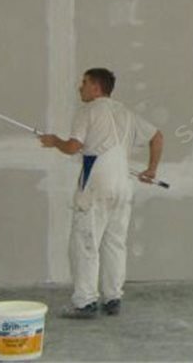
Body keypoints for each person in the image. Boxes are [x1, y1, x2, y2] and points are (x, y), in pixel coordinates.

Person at [40, 68, 163, 318]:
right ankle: (113, 298)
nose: (80, 87)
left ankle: (85, 302)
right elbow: (157, 136)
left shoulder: (88, 111)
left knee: (85, 243)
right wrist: (151, 169)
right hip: (122, 185)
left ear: (96, 88)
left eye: (84, 83)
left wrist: (54, 141)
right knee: (114, 243)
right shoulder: (125, 113)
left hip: (97, 183)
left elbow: (73, 147)